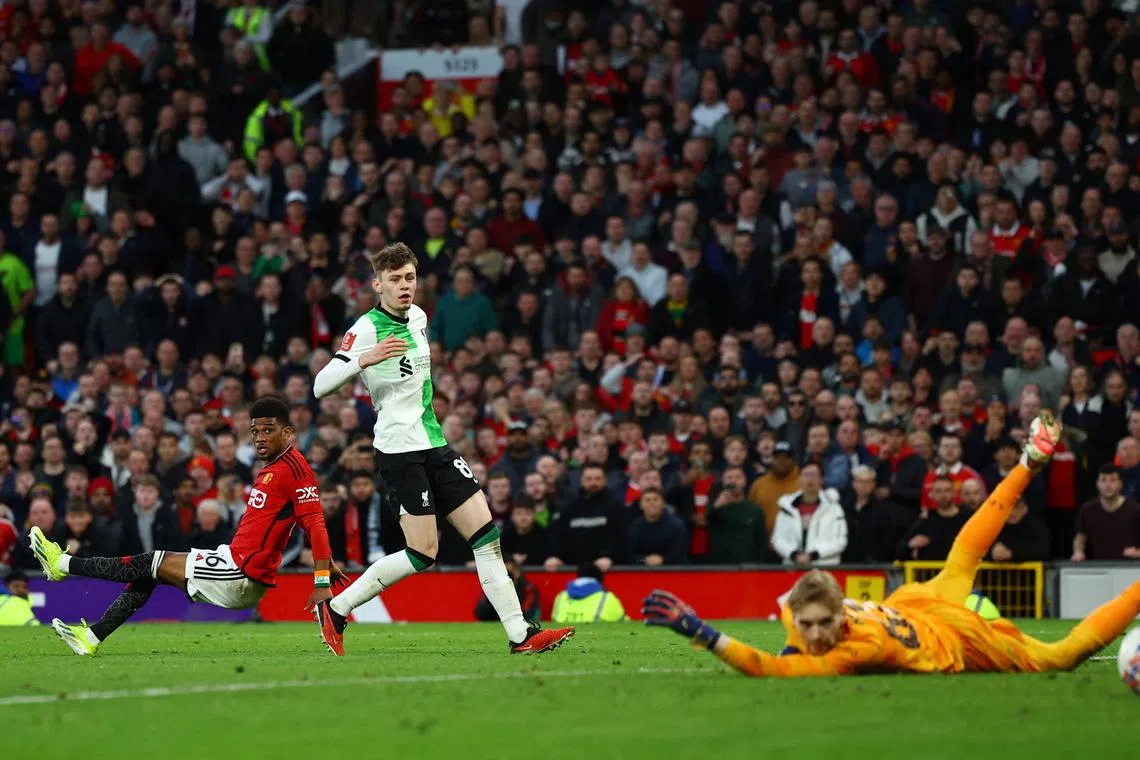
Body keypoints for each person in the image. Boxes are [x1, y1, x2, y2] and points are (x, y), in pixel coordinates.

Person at [642, 413, 1140, 676]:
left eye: (822, 626)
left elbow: (772, 669)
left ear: (842, 616)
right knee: (963, 557)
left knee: (1060, 658)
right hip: (915, 603)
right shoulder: (808, 613)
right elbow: (794, 638)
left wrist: (705, 634)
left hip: (957, 640)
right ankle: (1029, 463)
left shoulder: (859, 648)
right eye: (807, 625)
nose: (814, 637)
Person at [312, 242, 573, 655]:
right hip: (399, 449)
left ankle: (520, 634)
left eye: (410, 278)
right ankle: (337, 608)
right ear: (377, 284)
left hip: (434, 441)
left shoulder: (418, 317)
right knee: (422, 552)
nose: (404, 286)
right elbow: (320, 384)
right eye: (395, 279)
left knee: (487, 535)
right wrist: (365, 359)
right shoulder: (366, 328)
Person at [29, 397, 343, 655]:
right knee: (149, 574)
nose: (260, 438)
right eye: (255, 431)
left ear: (288, 433)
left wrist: (320, 581)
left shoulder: (295, 469)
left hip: (240, 573)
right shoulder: (278, 467)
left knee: (149, 561)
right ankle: (92, 638)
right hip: (233, 561)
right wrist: (325, 562)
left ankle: (63, 564)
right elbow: (303, 519)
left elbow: (314, 523)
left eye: (268, 431)